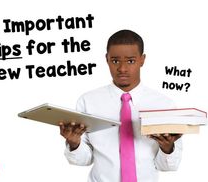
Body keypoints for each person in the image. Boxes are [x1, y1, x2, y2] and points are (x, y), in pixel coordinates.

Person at [59, 29, 182, 182]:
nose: (122, 69)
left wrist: (167, 148)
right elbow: (83, 160)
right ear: (107, 59)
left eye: (130, 61)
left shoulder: (164, 104)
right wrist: (74, 142)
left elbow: (169, 166)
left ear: (142, 60)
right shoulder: (88, 101)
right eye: (115, 61)